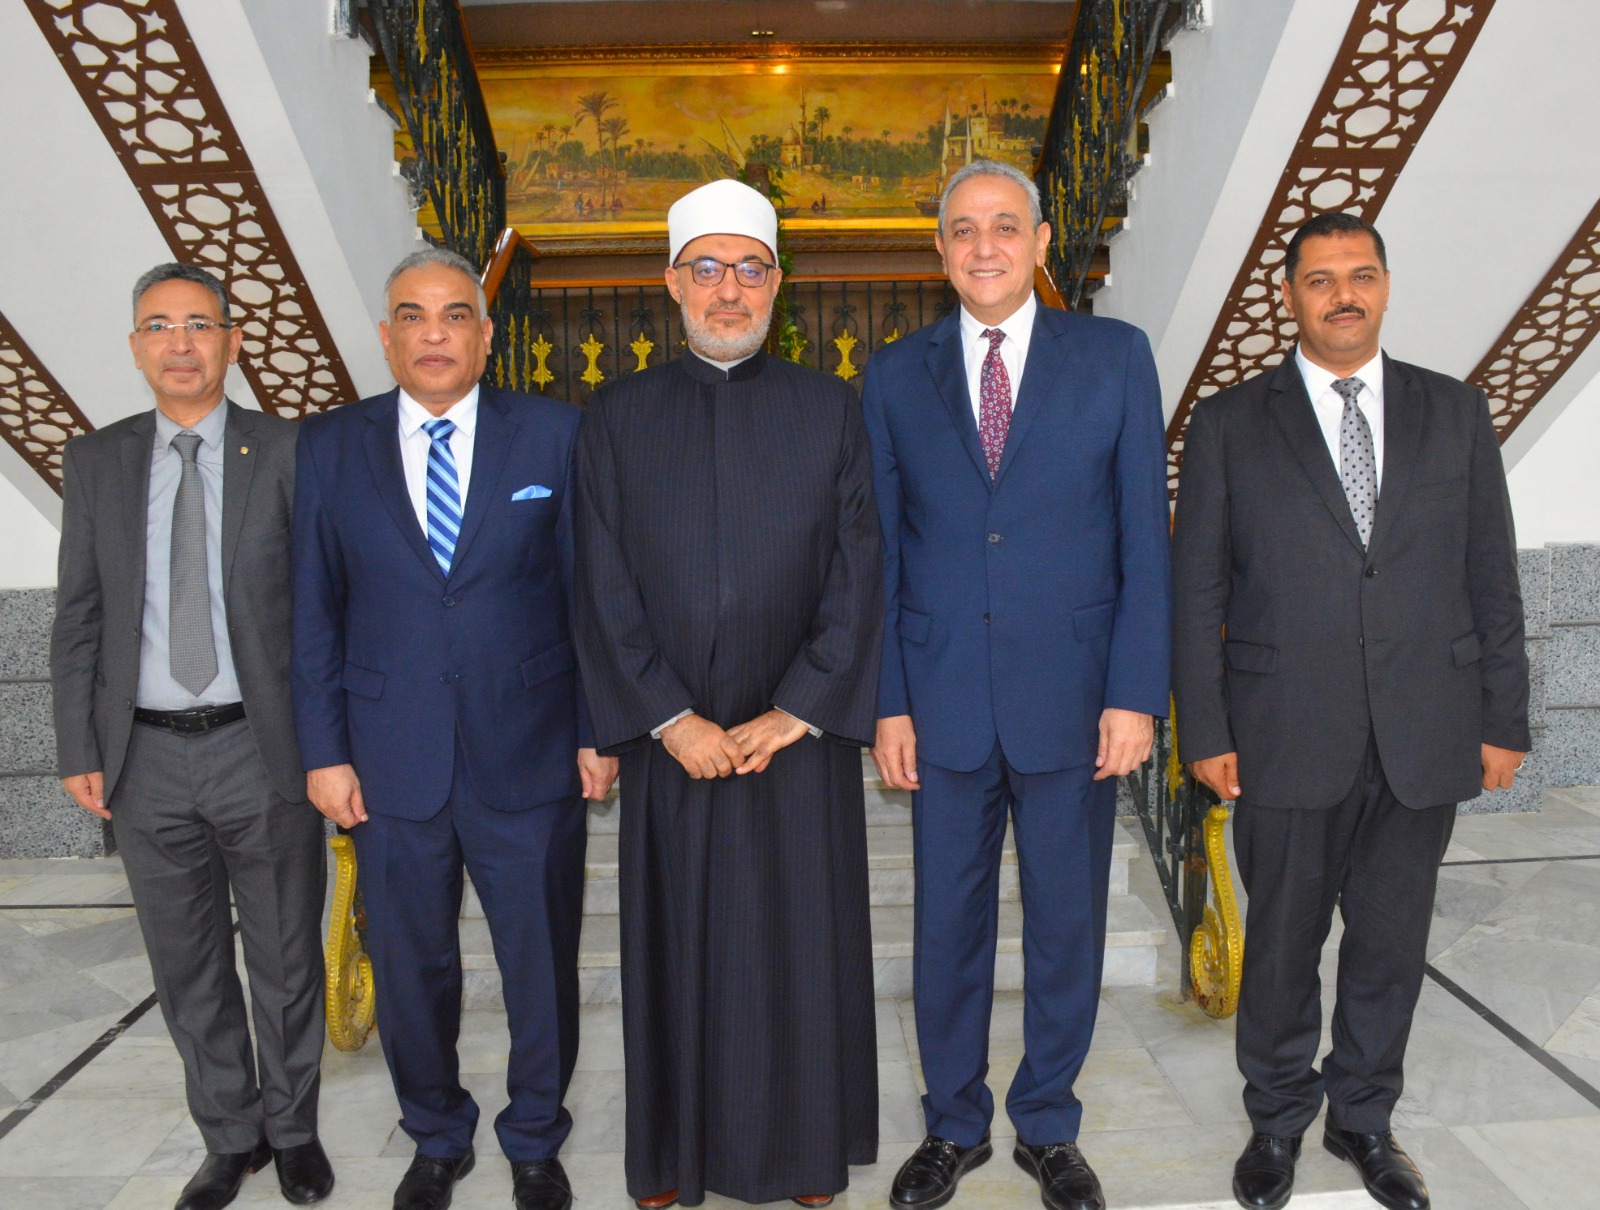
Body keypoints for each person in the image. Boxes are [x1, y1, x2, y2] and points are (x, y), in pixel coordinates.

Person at [1171, 212, 1530, 1210]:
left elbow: (1492, 575)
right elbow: (1196, 593)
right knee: (1282, 945)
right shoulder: (1229, 424)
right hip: (1282, 732)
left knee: (1389, 942)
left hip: (1426, 728)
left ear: (1384, 286)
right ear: (1288, 294)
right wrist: (1206, 730)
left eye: (1361, 275)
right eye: (1322, 278)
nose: (1343, 294)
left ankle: (1363, 1118)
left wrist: (1503, 718)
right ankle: (1276, 1119)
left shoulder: (1454, 411)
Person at [862, 159, 1172, 1210]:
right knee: (946, 930)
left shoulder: (1116, 358)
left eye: (1004, 226)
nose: (983, 245)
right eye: (963, 229)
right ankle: (953, 1124)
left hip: (1076, 702)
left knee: (1065, 924)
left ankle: (1047, 1124)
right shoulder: (894, 375)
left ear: (1041, 243)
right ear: (939, 250)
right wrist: (888, 700)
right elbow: (881, 553)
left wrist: (1135, 693)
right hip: (940, 697)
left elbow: (1144, 539)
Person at [571, 177, 883, 1209]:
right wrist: (667, 717)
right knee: (677, 953)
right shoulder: (615, 417)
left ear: (777, 283)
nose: (728, 289)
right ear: (672, 284)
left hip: (793, 743)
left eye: (749, 268)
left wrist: (798, 708)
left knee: (799, 953)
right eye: (705, 268)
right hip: (678, 746)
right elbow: (598, 578)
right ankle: (671, 1159)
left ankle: (804, 1159)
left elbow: (859, 572)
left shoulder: (831, 410)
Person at [291, 247, 616, 1210]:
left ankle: (535, 1138)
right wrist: (324, 752)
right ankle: (436, 1135)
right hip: (388, 762)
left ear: (485, 334)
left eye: (455, 315)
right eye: (413, 316)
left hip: (533, 753)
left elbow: (590, 597)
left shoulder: (555, 435)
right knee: (410, 966)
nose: (434, 334)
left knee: (538, 965)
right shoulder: (330, 446)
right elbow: (312, 614)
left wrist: (596, 731)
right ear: (387, 336)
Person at [51, 262, 333, 1210]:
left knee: (286, 956)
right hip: (143, 757)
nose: (180, 344)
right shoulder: (96, 461)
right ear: (136, 347)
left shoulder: (289, 450)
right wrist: (78, 746)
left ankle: (293, 1131)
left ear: (232, 342)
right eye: (160, 327)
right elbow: (79, 614)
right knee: (186, 962)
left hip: (264, 747)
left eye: (199, 325)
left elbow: (327, 606)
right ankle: (230, 1136)